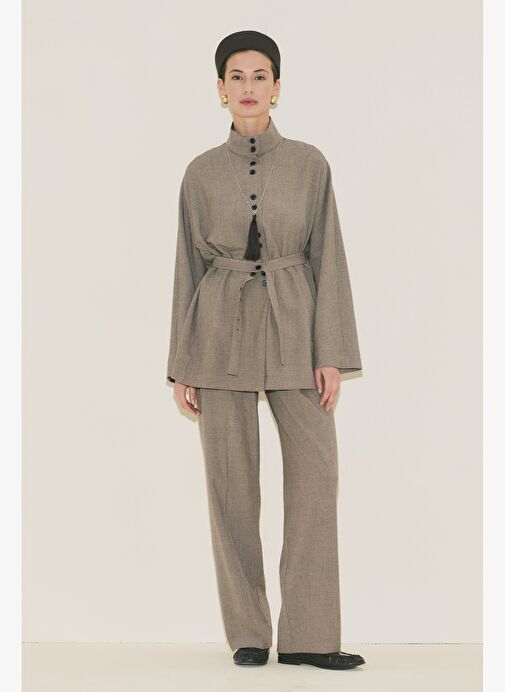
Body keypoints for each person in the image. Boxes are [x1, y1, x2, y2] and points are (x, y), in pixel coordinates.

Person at [165, 29, 366, 671]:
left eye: (260, 76)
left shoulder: (310, 164)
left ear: (277, 87)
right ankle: (248, 633)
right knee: (229, 484)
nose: (248, 87)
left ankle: (309, 635)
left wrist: (330, 351)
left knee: (315, 477)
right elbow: (188, 268)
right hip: (217, 331)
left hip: (296, 325)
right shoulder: (199, 173)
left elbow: (328, 257)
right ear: (220, 88)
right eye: (237, 76)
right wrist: (181, 364)